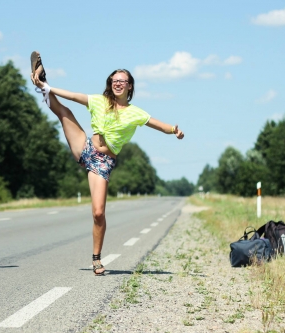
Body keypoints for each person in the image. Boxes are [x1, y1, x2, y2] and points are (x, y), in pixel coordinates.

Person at [30, 51, 184, 275]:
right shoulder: (98, 101)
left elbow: (156, 124)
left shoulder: (134, 113)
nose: (118, 83)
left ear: (130, 86)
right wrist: (49, 88)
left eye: (122, 81)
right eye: (114, 80)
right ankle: (42, 82)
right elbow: (72, 95)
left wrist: (174, 131)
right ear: (110, 84)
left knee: (98, 213)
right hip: (86, 147)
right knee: (64, 111)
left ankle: (96, 258)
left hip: (103, 162)